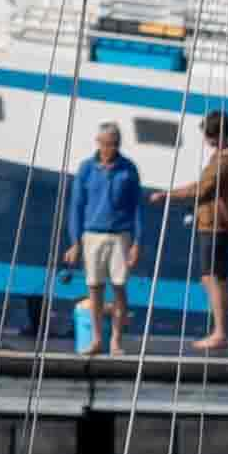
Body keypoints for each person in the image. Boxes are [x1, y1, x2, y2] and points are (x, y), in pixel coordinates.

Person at [62, 122, 150, 355]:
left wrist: (138, 242)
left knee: (119, 287)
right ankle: (98, 339)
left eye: (115, 144)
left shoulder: (128, 169)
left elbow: (137, 208)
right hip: (92, 234)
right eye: (108, 144)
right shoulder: (86, 169)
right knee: (95, 288)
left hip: (120, 235)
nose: (111, 148)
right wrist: (74, 242)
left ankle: (116, 341)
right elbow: (77, 207)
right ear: (99, 143)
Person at [185, 133, 228, 352]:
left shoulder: (224, 160)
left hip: (216, 225)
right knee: (219, 278)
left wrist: (169, 195)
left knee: (211, 278)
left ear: (212, 134)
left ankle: (220, 333)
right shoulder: (225, 157)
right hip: (218, 224)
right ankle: (220, 331)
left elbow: (204, 188)